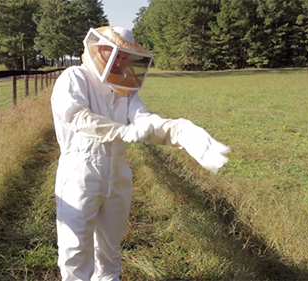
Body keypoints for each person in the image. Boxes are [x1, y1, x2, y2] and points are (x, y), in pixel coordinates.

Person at [50, 26, 230, 281]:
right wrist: (121, 132)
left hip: (118, 174)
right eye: (116, 55)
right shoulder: (74, 77)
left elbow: (145, 122)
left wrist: (181, 131)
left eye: (126, 57)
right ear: (99, 49)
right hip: (80, 171)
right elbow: (77, 117)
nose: (120, 62)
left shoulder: (125, 89)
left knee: (110, 249)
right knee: (75, 249)